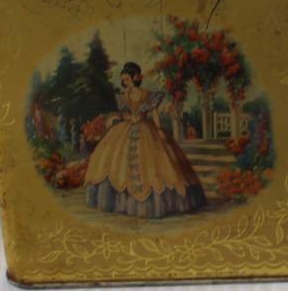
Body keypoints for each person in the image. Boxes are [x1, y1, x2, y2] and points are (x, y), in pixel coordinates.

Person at [83, 62, 207, 217]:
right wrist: (124, 117)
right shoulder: (123, 96)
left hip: (146, 130)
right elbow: (123, 113)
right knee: (114, 161)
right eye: (123, 80)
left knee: (157, 164)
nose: (124, 83)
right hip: (125, 129)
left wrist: (159, 129)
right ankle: (120, 202)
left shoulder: (147, 95)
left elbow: (154, 113)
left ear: (136, 77)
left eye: (127, 79)